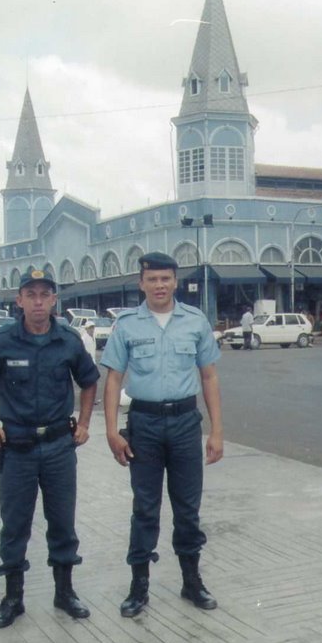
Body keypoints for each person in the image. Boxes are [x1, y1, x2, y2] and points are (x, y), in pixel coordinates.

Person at [0, 268, 99, 627]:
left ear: (54, 300)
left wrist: (83, 424)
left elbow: (88, 381)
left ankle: (64, 592)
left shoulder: (68, 340)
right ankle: (12, 598)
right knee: (15, 525)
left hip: (58, 448)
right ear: (19, 300)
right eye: (30, 294)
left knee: (63, 522)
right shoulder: (3, 340)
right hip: (17, 449)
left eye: (44, 294)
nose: (38, 302)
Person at [100, 252, 224, 619]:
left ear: (175, 282)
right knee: (145, 508)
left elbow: (209, 377)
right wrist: (110, 431)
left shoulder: (195, 322)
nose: (159, 285)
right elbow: (113, 380)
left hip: (186, 423)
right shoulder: (126, 325)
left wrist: (216, 431)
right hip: (145, 425)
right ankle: (139, 587)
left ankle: (191, 581)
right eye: (152, 279)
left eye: (165, 279)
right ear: (141, 283)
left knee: (188, 508)